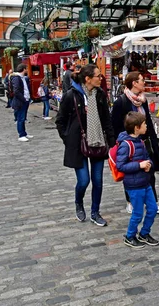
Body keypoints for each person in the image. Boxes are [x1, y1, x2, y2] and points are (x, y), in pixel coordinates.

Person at [56, 64, 115, 227]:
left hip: (97, 142)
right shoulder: (72, 95)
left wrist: (112, 143)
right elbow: (60, 121)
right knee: (84, 180)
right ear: (88, 79)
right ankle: (78, 202)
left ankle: (95, 212)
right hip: (78, 144)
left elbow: (107, 120)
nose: (101, 78)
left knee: (98, 181)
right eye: (98, 76)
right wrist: (67, 139)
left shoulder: (101, 95)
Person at [111, 71, 159, 214]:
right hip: (129, 143)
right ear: (134, 83)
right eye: (142, 80)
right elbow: (115, 125)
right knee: (130, 172)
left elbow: (147, 120)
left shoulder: (143, 100)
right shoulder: (121, 102)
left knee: (150, 171)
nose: (144, 82)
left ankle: (153, 203)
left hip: (145, 141)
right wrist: (120, 143)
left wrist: (152, 138)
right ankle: (130, 201)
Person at [118, 111, 159, 249]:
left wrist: (149, 165)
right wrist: (139, 165)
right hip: (134, 186)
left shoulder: (140, 141)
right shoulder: (126, 145)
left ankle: (144, 233)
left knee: (152, 209)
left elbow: (147, 157)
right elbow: (121, 165)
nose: (146, 126)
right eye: (144, 124)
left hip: (145, 182)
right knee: (137, 214)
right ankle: (130, 236)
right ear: (137, 127)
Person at [11, 64, 32, 142]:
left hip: (25, 100)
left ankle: (24, 133)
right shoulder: (17, 78)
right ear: (24, 69)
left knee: (23, 118)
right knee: (21, 118)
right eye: (26, 68)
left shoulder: (22, 78)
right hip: (21, 101)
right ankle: (21, 135)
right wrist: (23, 99)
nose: (27, 70)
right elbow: (16, 91)